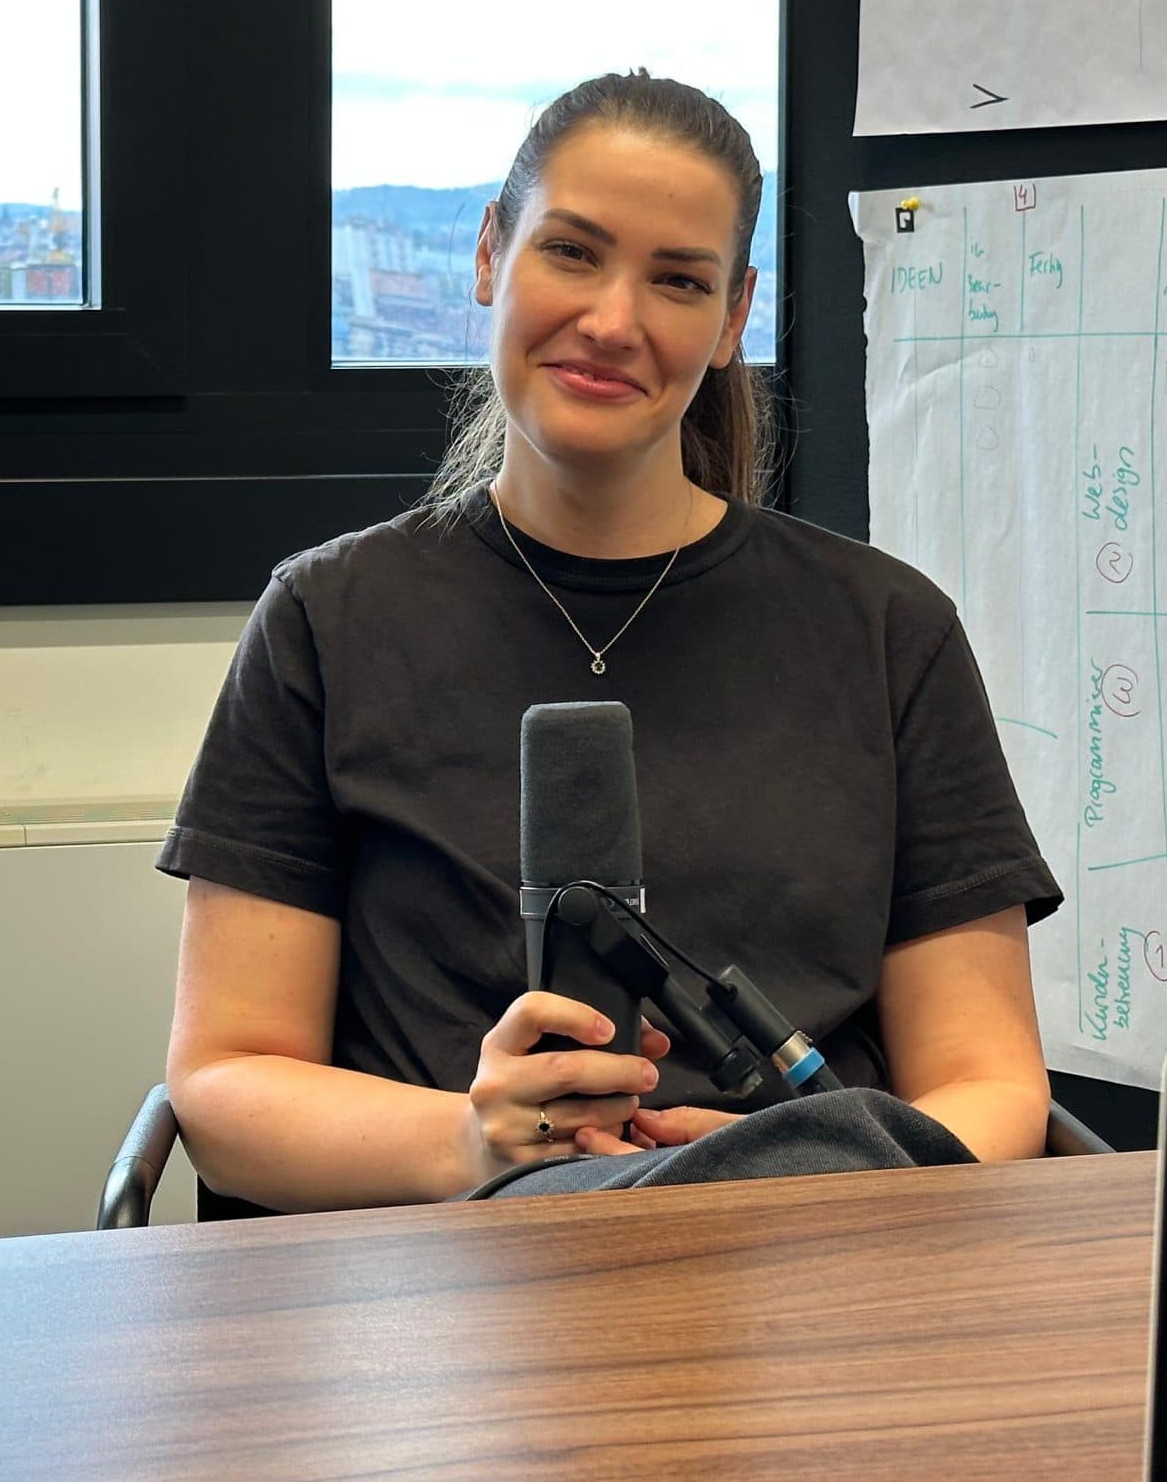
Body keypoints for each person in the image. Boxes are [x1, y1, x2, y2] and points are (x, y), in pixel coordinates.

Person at [157, 71, 1061, 1215]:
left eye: (677, 281)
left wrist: (790, 1179)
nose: (613, 321)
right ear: (490, 255)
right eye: (572, 252)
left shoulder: (887, 633)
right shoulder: (331, 621)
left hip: (806, 1276)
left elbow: (987, 1085)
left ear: (731, 321)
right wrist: (473, 1142)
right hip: (431, 1292)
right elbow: (226, 1090)